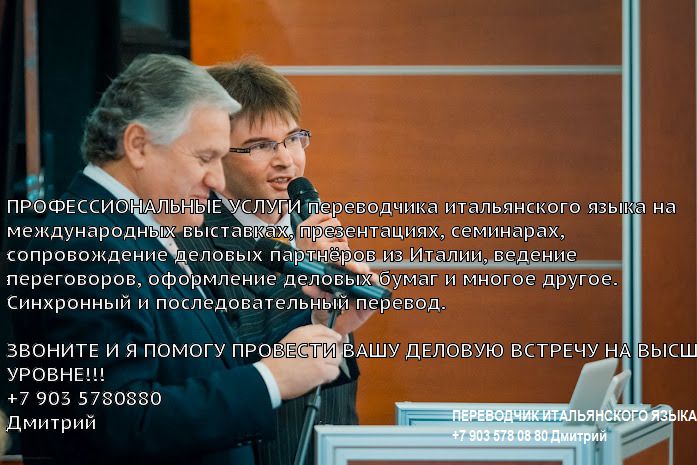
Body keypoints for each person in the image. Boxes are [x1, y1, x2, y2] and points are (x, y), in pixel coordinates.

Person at [11, 54, 371, 465]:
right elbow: (117, 421)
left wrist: (319, 320)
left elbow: (210, 368)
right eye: (205, 158)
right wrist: (269, 379)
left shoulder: (140, 235)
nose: (216, 179)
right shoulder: (84, 241)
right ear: (138, 145)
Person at [176, 59, 365, 465]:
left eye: (293, 139)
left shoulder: (312, 230)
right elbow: (227, 356)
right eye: (261, 145)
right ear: (215, 155)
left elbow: (334, 367)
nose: (286, 160)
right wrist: (308, 294)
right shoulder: (187, 239)